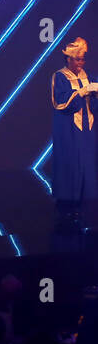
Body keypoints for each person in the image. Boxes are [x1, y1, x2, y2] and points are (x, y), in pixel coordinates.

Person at [50, 37, 98, 231]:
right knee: (70, 163)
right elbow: (59, 103)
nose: (80, 63)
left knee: (86, 163)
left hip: (87, 128)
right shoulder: (60, 76)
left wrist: (94, 94)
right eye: (77, 59)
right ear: (68, 59)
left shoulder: (89, 76)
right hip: (68, 128)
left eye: (82, 59)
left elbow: (94, 106)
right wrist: (80, 93)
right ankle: (65, 206)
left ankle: (80, 204)